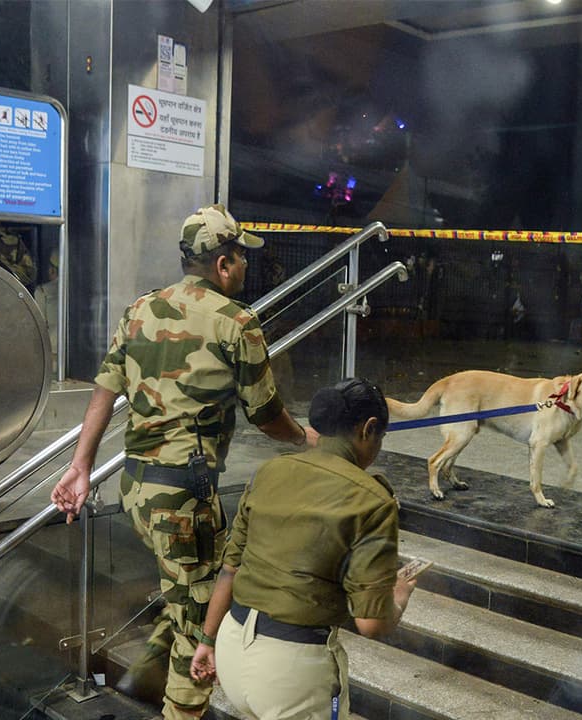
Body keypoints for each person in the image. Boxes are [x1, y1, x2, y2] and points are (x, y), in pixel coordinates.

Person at [51, 204, 319, 720]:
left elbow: (105, 390)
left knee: (189, 587)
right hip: (183, 501)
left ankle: (141, 678)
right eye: (241, 256)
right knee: (203, 627)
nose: (245, 266)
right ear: (222, 264)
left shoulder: (140, 310)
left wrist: (81, 466)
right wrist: (305, 439)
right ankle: (176, 704)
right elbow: (266, 414)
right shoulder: (236, 322)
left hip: (138, 489)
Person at [188, 378, 417, 720]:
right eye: (380, 438)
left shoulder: (268, 472)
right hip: (291, 672)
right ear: (369, 430)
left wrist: (206, 641)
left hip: (232, 647)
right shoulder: (372, 499)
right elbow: (370, 623)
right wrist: (396, 597)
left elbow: (230, 569)